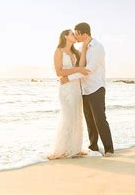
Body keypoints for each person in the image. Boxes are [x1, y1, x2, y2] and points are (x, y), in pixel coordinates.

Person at [60, 22, 114, 156]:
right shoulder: (83, 49)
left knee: (100, 119)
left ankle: (109, 149)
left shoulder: (97, 47)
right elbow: (79, 66)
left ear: (84, 34)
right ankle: (93, 148)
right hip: (84, 89)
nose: (75, 36)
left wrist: (68, 78)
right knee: (89, 121)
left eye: (76, 34)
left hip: (96, 87)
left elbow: (88, 70)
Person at [47, 29, 90, 159]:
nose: (74, 35)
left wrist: (83, 48)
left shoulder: (75, 52)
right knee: (68, 116)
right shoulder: (59, 51)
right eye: (72, 34)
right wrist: (78, 69)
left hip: (76, 86)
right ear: (66, 36)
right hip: (66, 88)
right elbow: (59, 72)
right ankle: (63, 149)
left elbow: (84, 67)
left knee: (77, 116)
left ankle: (75, 148)